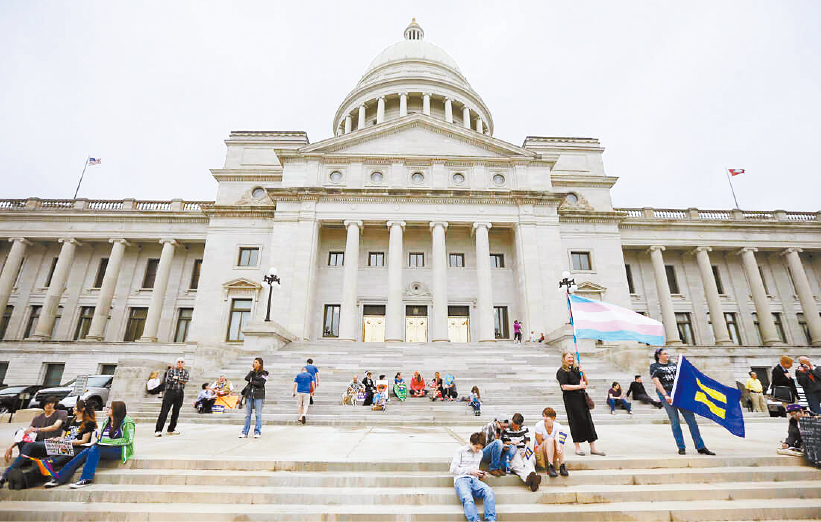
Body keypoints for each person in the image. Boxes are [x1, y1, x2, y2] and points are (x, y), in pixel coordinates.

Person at [44, 401, 134, 489]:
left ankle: (86, 478)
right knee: (87, 450)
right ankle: (59, 478)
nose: (107, 409)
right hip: (104, 448)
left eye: (110, 408)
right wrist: (99, 440)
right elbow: (102, 437)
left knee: (95, 449)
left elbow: (128, 440)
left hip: (120, 449)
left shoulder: (127, 422)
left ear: (117, 409)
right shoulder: (107, 421)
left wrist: (106, 441)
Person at [650, 348, 716, 456]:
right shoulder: (654, 366)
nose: (667, 355)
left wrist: (681, 364)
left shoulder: (674, 365)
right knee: (675, 420)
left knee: (691, 420)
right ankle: (681, 447)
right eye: (665, 354)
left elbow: (684, 377)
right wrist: (665, 395)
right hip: (667, 393)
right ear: (659, 356)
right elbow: (656, 382)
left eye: (668, 353)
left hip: (680, 393)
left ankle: (700, 446)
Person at [1, 397, 77, 489]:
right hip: (39, 446)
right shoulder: (37, 418)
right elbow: (27, 434)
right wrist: (11, 447)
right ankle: (21, 463)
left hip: (53, 444)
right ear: (43, 405)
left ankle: (6, 475)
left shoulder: (61, 413)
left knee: (29, 446)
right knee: (20, 434)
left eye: (52, 403)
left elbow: (55, 426)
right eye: (47, 403)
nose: (50, 405)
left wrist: (37, 429)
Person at [556, 351, 604, 456]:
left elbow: (586, 382)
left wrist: (583, 373)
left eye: (572, 357)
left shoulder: (576, 369)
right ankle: (577, 448)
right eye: (568, 357)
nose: (571, 359)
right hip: (571, 400)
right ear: (564, 359)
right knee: (575, 422)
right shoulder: (561, 371)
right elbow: (564, 386)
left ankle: (593, 448)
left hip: (582, 398)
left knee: (588, 421)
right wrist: (579, 386)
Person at [450, 432, 496, 522]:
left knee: (489, 492)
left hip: (474, 480)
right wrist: (469, 471)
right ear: (471, 443)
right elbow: (453, 469)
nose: (478, 450)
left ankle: (491, 520)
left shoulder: (480, 453)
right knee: (468, 498)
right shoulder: (460, 451)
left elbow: (476, 469)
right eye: (476, 448)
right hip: (461, 479)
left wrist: (480, 474)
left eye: (480, 448)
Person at [501, 413, 541, 491]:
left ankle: (532, 478)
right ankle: (531, 480)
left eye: (517, 426)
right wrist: (512, 442)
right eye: (513, 425)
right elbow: (504, 442)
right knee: (518, 465)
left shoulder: (524, 428)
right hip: (513, 450)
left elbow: (527, 441)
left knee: (529, 461)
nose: (515, 427)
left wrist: (525, 450)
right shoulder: (506, 429)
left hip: (523, 449)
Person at [154, 357, 189, 437]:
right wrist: (180, 380)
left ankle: (171, 429)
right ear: (176, 363)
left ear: (184, 363)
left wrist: (177, 378)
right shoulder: (171, 371)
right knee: (164, 411)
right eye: (179, 362)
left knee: (176, 411)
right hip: (170, 392)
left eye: (182, 362)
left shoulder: (185, 372)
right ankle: (158, 430)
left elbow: (186, 380)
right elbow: (169, 380)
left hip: (180, 392)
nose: (180, 363)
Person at [534, 407, 568, 478]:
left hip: (554, 451)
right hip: (541, 451)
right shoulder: (539, 425)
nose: (545, 418)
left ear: (553, 418)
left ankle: (562, 465)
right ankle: (550, 466)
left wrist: (557, 445)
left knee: (560, 438)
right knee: (550, 440)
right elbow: (539, 442)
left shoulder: (558, 426)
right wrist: (551, 442)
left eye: (547, 416)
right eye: (544, 416)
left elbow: (561, 440)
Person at [240, 357, 268, 437]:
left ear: (260, 364)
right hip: (250, 394)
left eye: (256, 362)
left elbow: (261, 383)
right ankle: (245, 432)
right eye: (254, 362)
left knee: (258, 414)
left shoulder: (264, 373)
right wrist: (251, 371)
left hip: (258, 395)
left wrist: (252, 381)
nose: (254, 364)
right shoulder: (252, 372)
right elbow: (247, 378)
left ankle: (257, 431)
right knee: (247, 415)